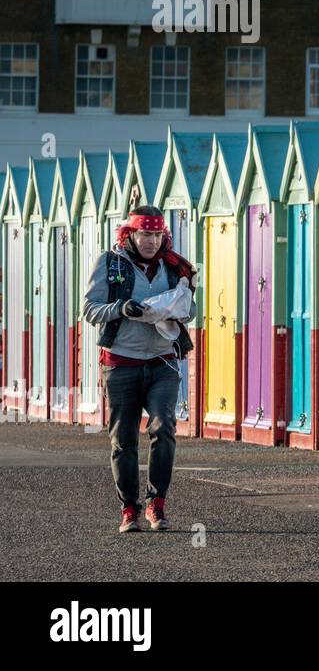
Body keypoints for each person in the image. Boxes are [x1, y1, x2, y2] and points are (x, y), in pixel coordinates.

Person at [83, 205, 196, 534]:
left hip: (162, 362)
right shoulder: (110, 263)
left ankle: (156, 503)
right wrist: (121, 307)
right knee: (124, 439)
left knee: (164, 428)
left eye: (157, 234)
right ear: (129, 233)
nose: (151, 241)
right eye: (145, 234)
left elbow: (190, 308)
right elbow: (89, 309)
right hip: (121, 364)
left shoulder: (175, 267)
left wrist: (177, 309)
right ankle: (129, 508)